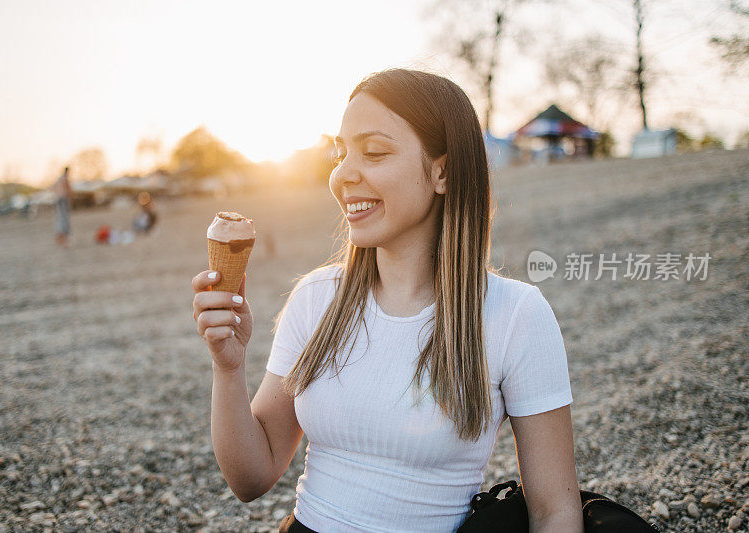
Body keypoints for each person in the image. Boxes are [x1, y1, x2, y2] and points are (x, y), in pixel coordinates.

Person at [191, 68, 583, 532]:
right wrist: (228, 366)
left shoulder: (514, 315)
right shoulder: (317, 299)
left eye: (374, 152)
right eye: (340, 153)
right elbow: (251, 478)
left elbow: (554, 509)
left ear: (443, 172)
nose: (343, 175)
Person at [53, 167, 73, 246]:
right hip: (63, 199)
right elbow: (69, 190)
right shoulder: (65, 179)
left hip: (58, 199)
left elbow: (55, 188)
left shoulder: (59, 179)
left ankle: (60, 236)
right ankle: (63, 237)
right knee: (64, 218)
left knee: (60, 217)